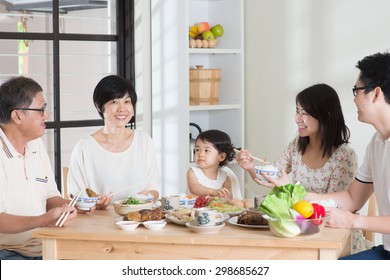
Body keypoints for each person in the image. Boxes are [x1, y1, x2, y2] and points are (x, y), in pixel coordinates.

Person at [237, 83, 366, 253]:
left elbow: (335, 209)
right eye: (297, 111)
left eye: (304, 113)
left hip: (335, 235)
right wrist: (250, 167)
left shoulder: (344, 156)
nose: (297, 119)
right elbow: (272, 177)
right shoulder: (297, 146)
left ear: (325, 115)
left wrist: (289, 190)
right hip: (301, 228)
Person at [301, 52, 390, 260]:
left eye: (356, 91)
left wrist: (353, 221)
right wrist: (299, 197)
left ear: (375, 94)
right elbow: (352, 198)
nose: (354, 98)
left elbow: (351, 214)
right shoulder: (376, 143)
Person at [0, 76, 77, 260]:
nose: (47, 115)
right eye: (41, 109)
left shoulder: (36, 144)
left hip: (46, 246)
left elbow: (50, 195)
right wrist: (44, 220)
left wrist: (70, 207)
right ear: (17, 115)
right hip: (8, 252)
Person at [67, 75, 160, 210]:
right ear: (99, 106)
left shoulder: (144, 142)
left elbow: (154, 189)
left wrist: (146, 197)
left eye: (127, 102)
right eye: (114, 102)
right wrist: (94, 203)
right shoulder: (84, 148)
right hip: (97, 224)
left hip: (138, 221)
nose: (122, 109)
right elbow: (76, 196)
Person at [187, 129, 243, 199]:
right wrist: (213, 192)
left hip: (215, 208)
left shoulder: (225, 177)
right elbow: (194, 188)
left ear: (221, 156)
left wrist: (221, 197)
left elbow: (228, 197)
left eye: (206, 150)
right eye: (197, 150)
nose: (200, 154)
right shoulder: (193, 172)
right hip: (195, 209)